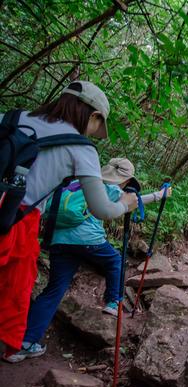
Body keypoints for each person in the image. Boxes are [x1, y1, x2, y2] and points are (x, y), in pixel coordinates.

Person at [0, 81, 138, 358]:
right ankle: (112, 301)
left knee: (50, 286)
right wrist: (125, 204)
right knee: (12, 294)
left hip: (42, 231)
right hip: (16, 224)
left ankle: (24, 340)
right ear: (94, 116)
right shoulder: (80, 149)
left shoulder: (10, 118)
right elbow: (102, 209)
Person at [4, 158, 172, 363]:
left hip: (59, 242)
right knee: (115, 261)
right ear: (125, 179)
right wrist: (160, 195)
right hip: (88, 240)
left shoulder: (75, 183)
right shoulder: (107, 187)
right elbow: (134, 201)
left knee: (54, 290)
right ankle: (113, 301)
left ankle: (23, 344)